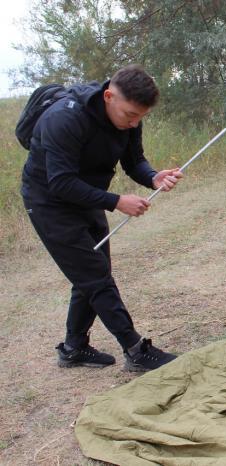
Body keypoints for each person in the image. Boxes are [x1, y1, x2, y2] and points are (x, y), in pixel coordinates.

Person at [21, 64, 182, 372]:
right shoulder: (65, 119)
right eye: (129, 115)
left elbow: (134, 161)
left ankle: (73, 348)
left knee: (92, 273)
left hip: (87, 194)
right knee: (95, 275)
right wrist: (116, 201)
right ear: (108, 96)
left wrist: (153, 178)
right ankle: (136, 351)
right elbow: (60, 182)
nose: (134, 123)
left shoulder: (130, 120)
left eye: (140, 117)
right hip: (49, 201)